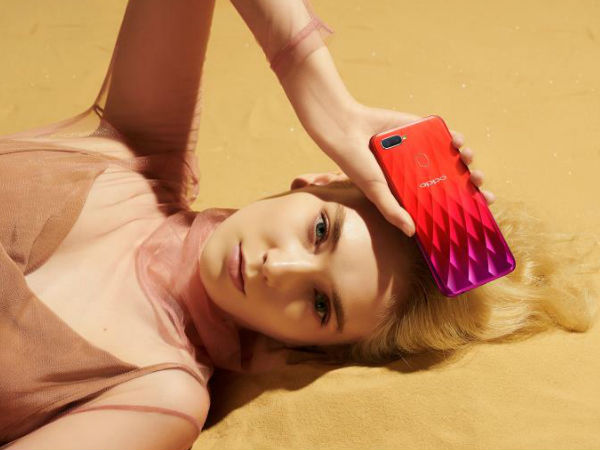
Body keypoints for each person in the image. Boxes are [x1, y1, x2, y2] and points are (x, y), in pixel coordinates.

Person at [1, 0, 597, 449]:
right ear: (316, 181)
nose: (277, 268)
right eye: (320, 232)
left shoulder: (161, 395)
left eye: (319, 305)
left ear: (305, 347)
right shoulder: (142, 147)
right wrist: (328, 103)